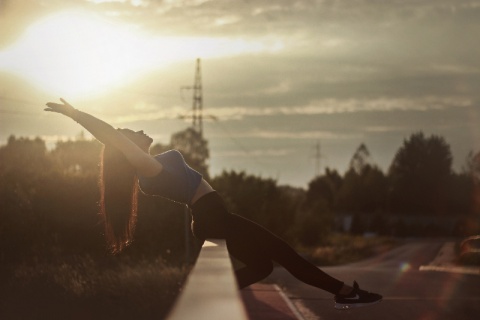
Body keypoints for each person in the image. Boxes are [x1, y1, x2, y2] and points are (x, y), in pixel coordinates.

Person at [44, 98, 382, 310]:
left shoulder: (151, 166)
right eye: (134, 131)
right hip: (213, 217)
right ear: (128, 148)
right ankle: (343, 292)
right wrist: (76, 115)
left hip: (212, 216)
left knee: (263, 267)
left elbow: (119, 138)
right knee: (285, 254)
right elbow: (112, 137)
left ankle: (211, 296)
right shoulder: (146, 168)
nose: (142, 130)